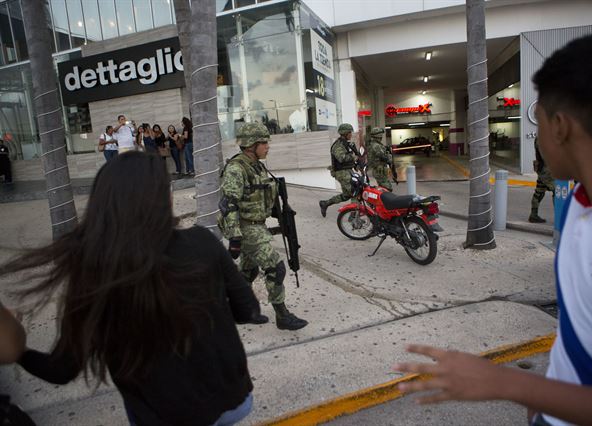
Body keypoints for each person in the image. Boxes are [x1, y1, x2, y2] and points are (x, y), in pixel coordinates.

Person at [393, 33, 592, 426]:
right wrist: (546, 397)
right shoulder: (580, 200)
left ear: (559, 127)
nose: (536, 139)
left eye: (536, 124)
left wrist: (510, 384)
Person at [2, 152, 265, 425]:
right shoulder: (203, 241)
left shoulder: (95, 272)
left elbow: (61, 370)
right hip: (234, 401)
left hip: (163, 416)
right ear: (164, 198)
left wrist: (17, 350)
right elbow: (248, 309)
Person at [218, 122, 308, 331]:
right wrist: (235, 237)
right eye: (264, 142)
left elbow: (261, 194)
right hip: (245, 227)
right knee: (276, 267)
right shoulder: (236, 168)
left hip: (256, 224)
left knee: (247, 272)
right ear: (251, 144)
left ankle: (239, 309)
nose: (268, 146)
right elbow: (228, 204)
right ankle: (282, 316)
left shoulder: (256, 164)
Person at [319, 123, 359, 217]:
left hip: (347, 171)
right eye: (349, 133)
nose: (351, 134)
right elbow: (342, 158)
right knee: (355, 193)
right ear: (344, 133)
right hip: (342, 172)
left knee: (346, 195)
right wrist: (354, 157)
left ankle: (325, 204)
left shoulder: (346, 144)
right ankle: (353, 218)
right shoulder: (338, 145)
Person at [529, 137, 555, 223]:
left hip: (544, 170)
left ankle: (533, 215)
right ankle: (559, 216)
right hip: (547, 171)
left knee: (539, 192)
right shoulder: (543, 138)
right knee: (557, 192)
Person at [366, 127, 393, 191]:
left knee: (384, 187)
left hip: (379, 169)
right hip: (379, 170)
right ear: (378, 136)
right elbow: (384, 157)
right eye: (381, 135)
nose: (381, 137)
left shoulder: (374, 144)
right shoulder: (376, 146)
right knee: (387, 188)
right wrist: (389, 155)